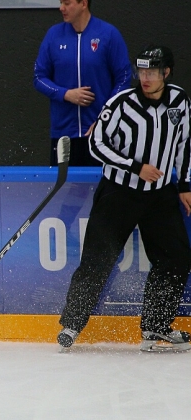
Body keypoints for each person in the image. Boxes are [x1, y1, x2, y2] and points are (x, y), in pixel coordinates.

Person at [57, 45, 191, 352]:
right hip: (119, 194)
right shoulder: (121, 104)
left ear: (166, 73)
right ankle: (73, 324)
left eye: (152, 73)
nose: (145, 78)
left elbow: (185, 143)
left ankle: (155, 326)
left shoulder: (180, 102)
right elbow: (97, 144)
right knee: (97, 258)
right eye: (141, 72)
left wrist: (184, 184)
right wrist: (136, 167)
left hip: (160, 196)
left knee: (176, 257)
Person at [33, 0, 132, 166]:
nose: (61, 8)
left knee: (99, 190)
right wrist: (65, 94)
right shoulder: (54, 35)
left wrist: (105, 118)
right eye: (60, 2)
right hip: (63, 134)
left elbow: (123, 77)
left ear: (83, 4)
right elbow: (38, 77)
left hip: (100, 134)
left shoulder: (108, 34)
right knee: (64, 190)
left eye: (67, 3)